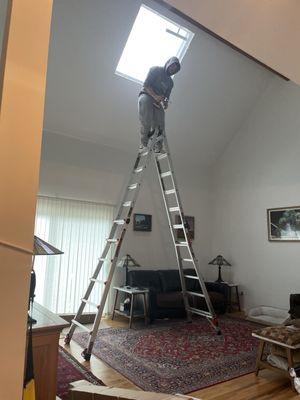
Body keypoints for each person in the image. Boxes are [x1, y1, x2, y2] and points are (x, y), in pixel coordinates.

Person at [138, 56, 181, 152]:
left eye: (175, 69)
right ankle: (143, 143)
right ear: (168, 63)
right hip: (146, 95)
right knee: (147, 118)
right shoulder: (155, 70)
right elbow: (146, 85)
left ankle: (158, 146)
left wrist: (165, 102)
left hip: (157, 102)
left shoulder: (170, 82)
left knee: (160, 123)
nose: (173, 70)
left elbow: (167, 95)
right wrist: (155, 96)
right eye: (172, 66)